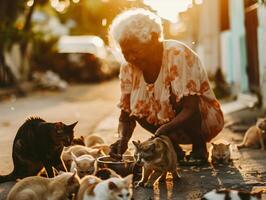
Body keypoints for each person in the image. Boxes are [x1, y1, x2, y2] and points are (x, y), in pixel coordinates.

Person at [108, 8, 224, 165]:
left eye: (134, 50)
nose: (130, 57)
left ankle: (199, 148)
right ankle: (174, 150)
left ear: (154, 39)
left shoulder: (177, 53)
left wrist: (164, 131)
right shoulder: (128, 67)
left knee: (179, 97)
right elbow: (125, 115)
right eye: (125, 53)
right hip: (165, 126)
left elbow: (191, 107)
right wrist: (122, 139)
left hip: (204, 121)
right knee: (137, 107)